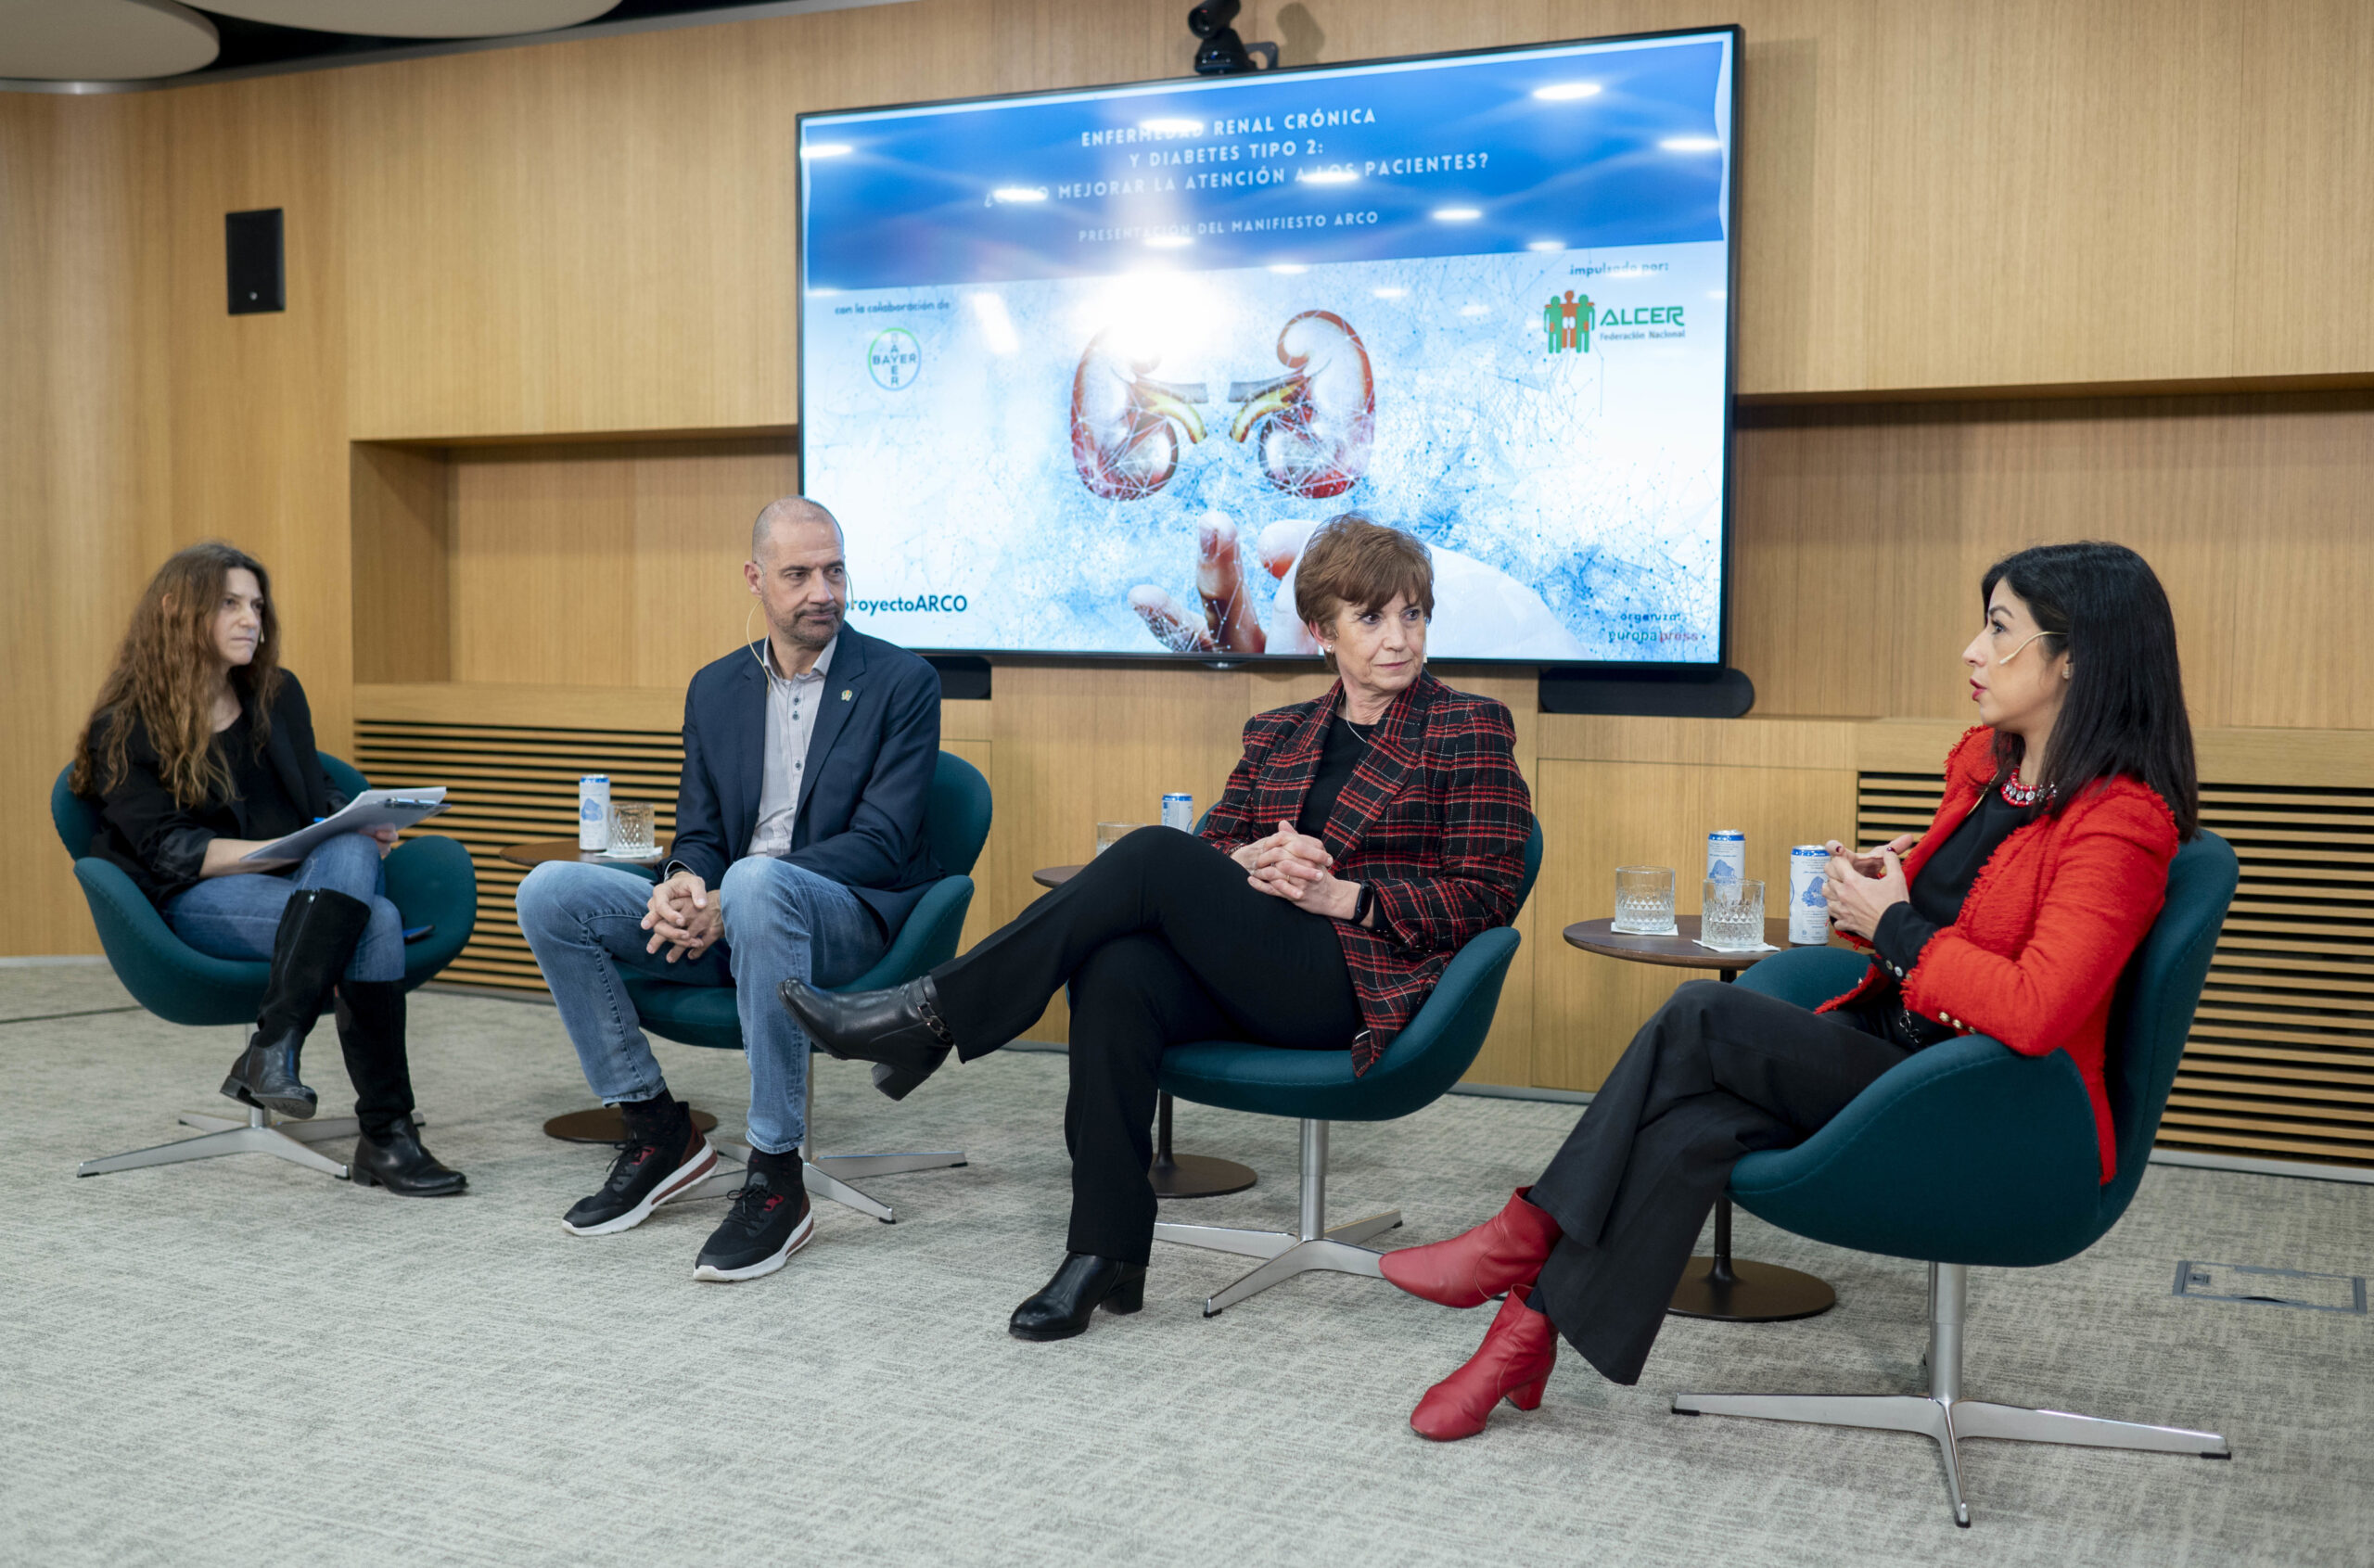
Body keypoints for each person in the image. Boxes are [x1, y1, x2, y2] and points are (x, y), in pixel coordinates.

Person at [1378, 541, 2200, 1441]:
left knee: (1700, 1014)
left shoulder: (2119, 821)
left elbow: (2036, 1008)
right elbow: (1951, 914)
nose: (1972, 649)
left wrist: (1896, 922)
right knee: (1691, 1125)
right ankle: (1522, 1337)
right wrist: (1878, 891)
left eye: (1998, 629)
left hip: (1993, 1102)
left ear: (2075, 657)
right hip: (1897, 1049)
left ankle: (1525, 1234)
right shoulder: (1990, 774)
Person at [784, 513, 1536, 1341]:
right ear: (1322, 631)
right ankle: (1104, 1251)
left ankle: (929, 1015)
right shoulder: (1279, 732)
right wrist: (1249, 858)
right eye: (1372, 617)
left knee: (1147, 853)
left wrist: (1344, 896)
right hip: (1256, 963)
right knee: (1118, 971)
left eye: (1413, 615)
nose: (1399, 637)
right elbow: (1213, 847)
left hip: (1352, 981)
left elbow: (1487, 894)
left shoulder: (1469, 727)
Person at [516, 497, 942, 1282]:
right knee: (549, 891)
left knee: (755, 879)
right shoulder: (715, 688)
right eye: (799, 574)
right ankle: (656, 1127)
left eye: (835, 570)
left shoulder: (901, 681)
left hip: (845, 916)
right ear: (755, 578)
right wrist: (682, 884)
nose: (824, 591)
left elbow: (881, 843)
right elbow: (702, 832)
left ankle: (776, 1172)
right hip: (733, 910)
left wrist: (736, 893)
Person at [71, 542, 464, 1195]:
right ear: (174, 609)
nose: (250, 619)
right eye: (229, 604)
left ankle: (272, 1046)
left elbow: (315, 795)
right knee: (374, 921)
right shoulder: (123, 725)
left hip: (304, 887)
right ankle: (387, 1135)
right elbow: (171, 851)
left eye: (255, 605)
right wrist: (289, 848)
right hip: (197, 897)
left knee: (350, 849)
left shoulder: (277, 695)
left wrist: (356, 818)